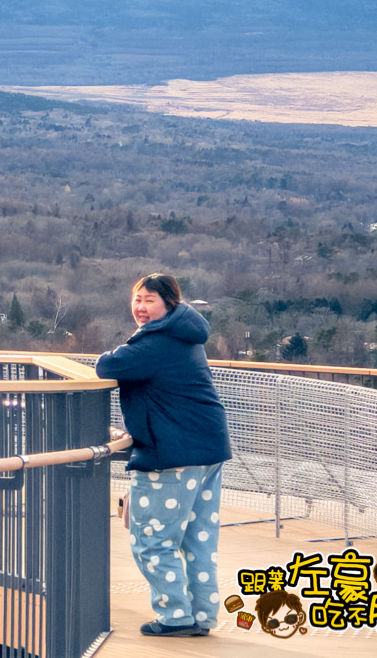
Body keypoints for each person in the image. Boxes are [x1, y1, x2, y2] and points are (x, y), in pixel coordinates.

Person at [96, 272, 231, 637]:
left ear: (168, 303)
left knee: (153, 539)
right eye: (137, 298)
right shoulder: (185, 334)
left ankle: (174, 617)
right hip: (207, 447)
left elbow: (107, 366)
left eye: (149, 300)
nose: (140, 307)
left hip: (173, 452)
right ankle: (201, 616)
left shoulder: (158, 342)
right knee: (197, 539)